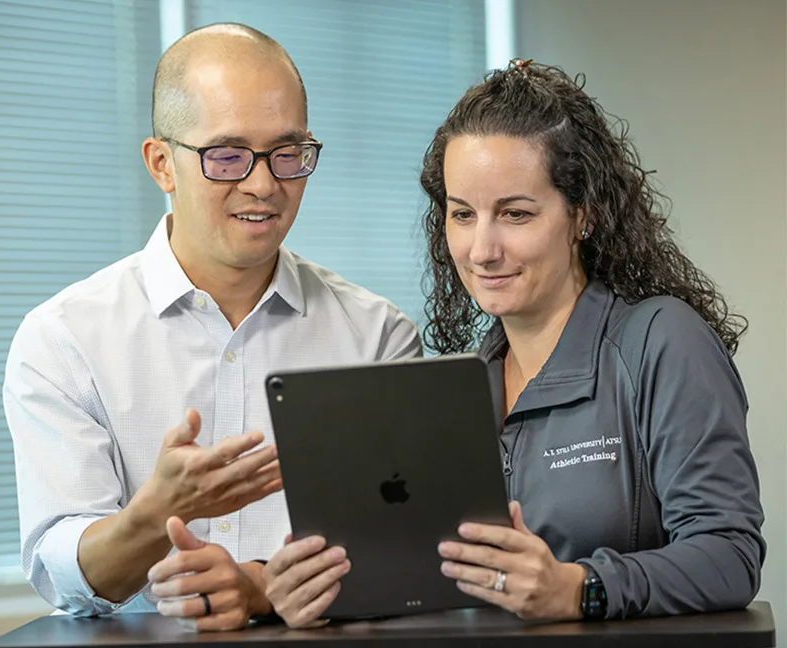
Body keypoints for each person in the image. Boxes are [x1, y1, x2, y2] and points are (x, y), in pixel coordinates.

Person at [261, 60, 765, 626]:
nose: (481, 249)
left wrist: (581, 588)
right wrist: (311, 590)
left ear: (584, 214)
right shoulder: (462, 385)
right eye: (462, 214)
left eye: (515, 214)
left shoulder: (661, 341)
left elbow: (730, 554)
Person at [2, 23, 421, 630]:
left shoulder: (377, 336)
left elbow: (405, 546)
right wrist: (156, 515)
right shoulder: (64, 340)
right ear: (161, 165)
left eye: (287, 153)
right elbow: (64, 572)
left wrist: (258, 588)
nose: (263, 184)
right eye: (227, 155)